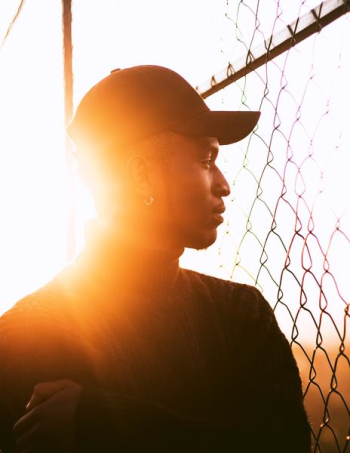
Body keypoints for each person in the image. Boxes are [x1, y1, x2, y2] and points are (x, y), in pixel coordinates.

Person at [0, 65, 311, 452]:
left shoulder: (241, 313)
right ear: (141, 176)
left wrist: (104, 421)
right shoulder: (30, 334)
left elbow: (287, 443)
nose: (224, 184)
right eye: (206, 160)